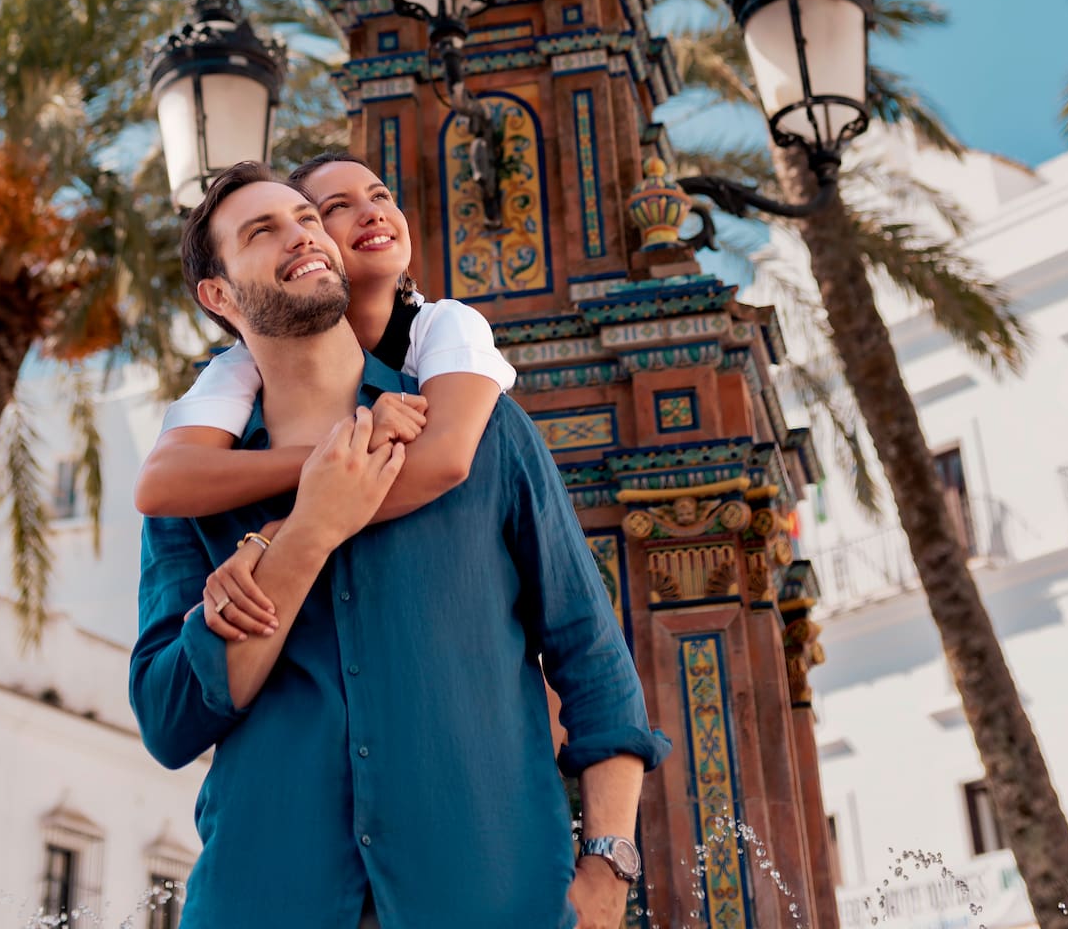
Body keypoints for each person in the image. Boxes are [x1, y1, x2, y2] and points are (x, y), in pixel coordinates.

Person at [129, 161, 669, 929]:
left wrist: (609, 872)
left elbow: (594, 661)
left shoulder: (480, 430)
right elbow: (168, 721)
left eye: (306, 219)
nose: (301, 235)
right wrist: (306, 530)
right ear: (218, 296)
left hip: (494, 903)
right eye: (263, 230)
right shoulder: (198, 489)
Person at [134, 151, 518, 637]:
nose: (372, 212)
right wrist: (338, 452)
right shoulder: (246, 361)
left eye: (381, 195)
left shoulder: (444, 326)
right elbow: (159, 484)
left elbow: (446, 457)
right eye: (335, 206)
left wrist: (281, 536)